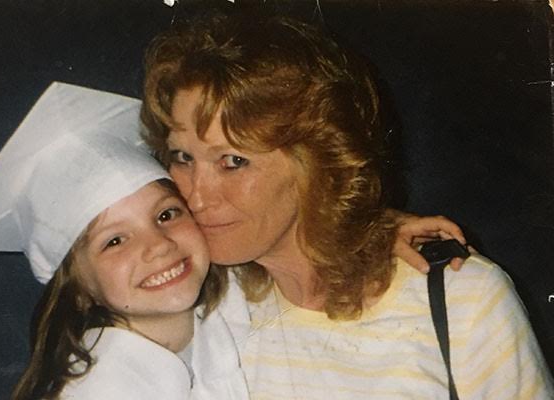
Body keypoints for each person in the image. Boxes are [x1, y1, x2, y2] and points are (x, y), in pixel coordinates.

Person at [140, 11, 553, 398]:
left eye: (233, 162)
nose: (195, 195)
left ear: (316, 162)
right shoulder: (201, 305)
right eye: (183, 158)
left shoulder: (464, 300)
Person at [0, 82, 248, 400]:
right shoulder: (97, 390)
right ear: (79, 291)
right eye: (115, 241)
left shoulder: (232, 311)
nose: (159, 244)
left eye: (166, 215)